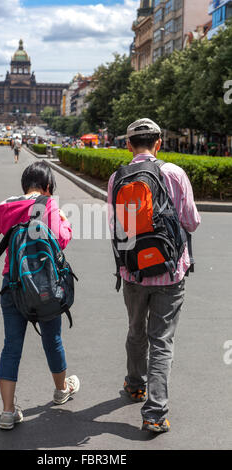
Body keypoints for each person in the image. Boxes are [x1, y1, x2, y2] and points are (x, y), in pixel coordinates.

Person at [108, 118, 201, 433]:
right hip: (170, 271)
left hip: (132, 271)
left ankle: (135, 384)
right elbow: (191, 222)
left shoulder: (116, 178)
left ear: (128, 145)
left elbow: (115, 227)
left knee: (136, 330)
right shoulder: (174, 173)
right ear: (158, 143)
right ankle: (154, 414)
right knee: (161, 340)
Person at [0, 161, 80, 430]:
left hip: (13, 285)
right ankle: (60, 390)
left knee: (11, 346)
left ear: (24, 186)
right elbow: (61, 240)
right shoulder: (48, 206)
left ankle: (7, 412)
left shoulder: (5, 207)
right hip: (44, 285)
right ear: (47, 186)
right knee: (52, 338)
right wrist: (66, 222)